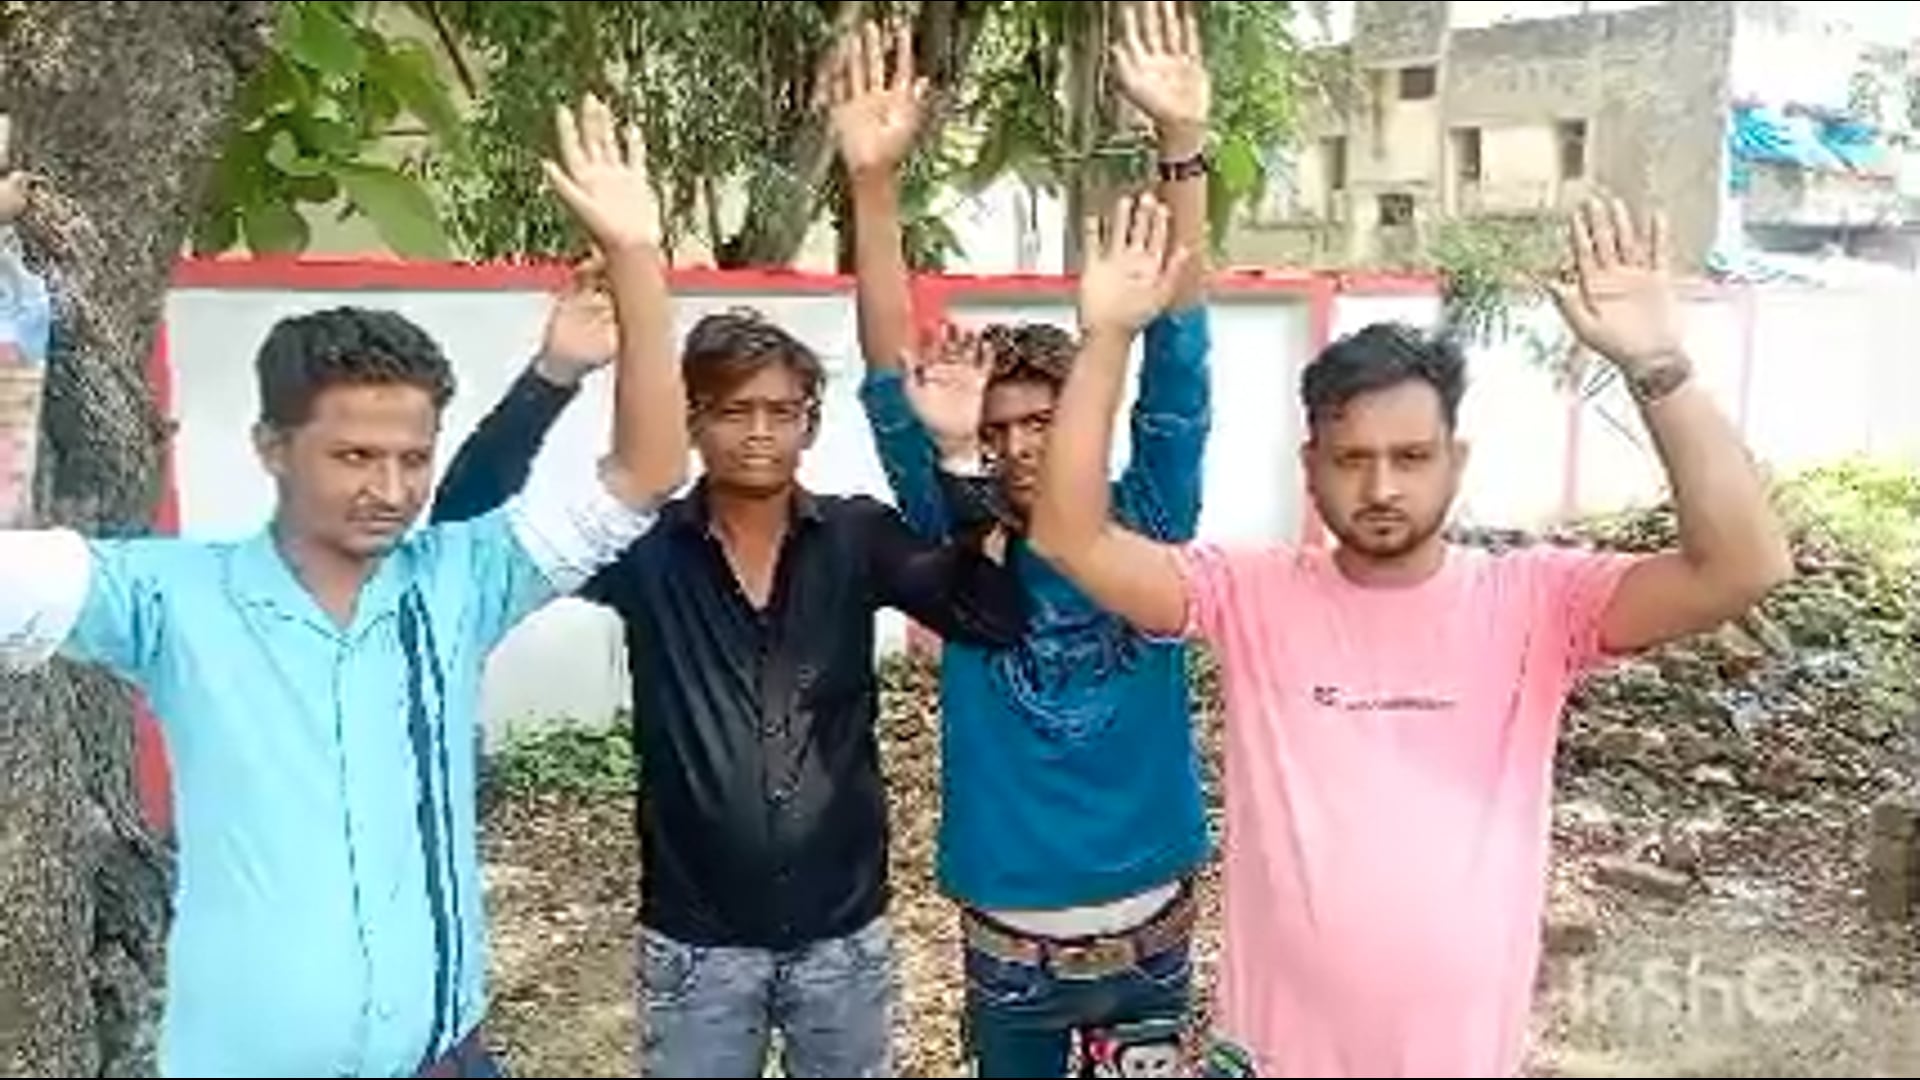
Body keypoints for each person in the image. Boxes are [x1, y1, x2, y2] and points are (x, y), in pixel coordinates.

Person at [1027, 191, 1795, 1077]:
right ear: (1311, 467)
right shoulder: (1249, 593)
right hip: (1278, 1053)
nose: (1383, 487)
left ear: (1455, 463)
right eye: (1353, 459)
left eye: (1412, 457)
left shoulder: (1539, 603)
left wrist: (1660, 365)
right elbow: (1070, 538)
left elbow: (1744, 565)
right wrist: (1108, 338)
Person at [0, 94, 685, 1079]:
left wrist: (638, 257)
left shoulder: (460, 579)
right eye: (355, 456)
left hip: (448, 1058)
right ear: (271, 447)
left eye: (413, 458)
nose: (392, 490)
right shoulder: (169, 598)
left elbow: (647, 471)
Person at [428, 310, 1030, 1072]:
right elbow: (467, 525)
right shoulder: (643, 547)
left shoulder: (858, 536)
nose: (759, 432)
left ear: (810, 424)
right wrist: (553, 375)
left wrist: (959, 453)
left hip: (843, 939)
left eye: (782, 411)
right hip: (696, 946)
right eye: (734, 410)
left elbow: (990, 616)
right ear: (693, 420)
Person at [825, 4, 1219, 1074]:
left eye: (1042, 421)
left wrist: (1181, 143)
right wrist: (872, 185)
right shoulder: (955, 542)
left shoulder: (1147, 523)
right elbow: (888, 375)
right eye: (996, 432)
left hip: (1154, 933)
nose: (1016, 448)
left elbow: (1178, 355)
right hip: (1011, 949)